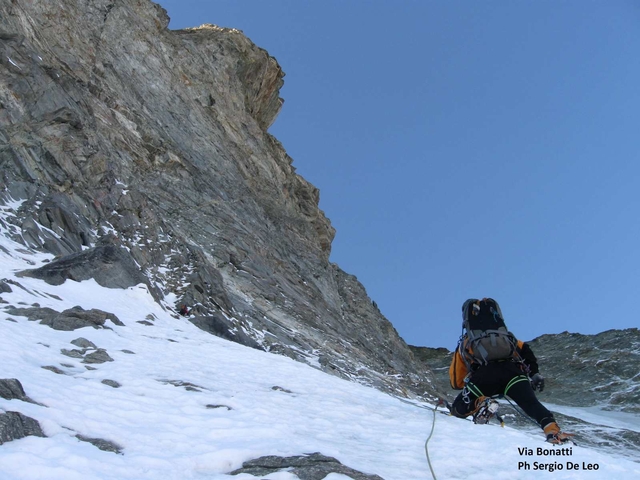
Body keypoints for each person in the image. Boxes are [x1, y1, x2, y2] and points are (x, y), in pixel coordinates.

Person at [448, 298, 573, 444]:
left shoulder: (467, 342)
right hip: (513, 373)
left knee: (457, 409)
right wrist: (534, 374)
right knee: (531, 404)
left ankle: (483, 403)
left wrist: (474, 388)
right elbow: (526, 351)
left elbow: (456, 382)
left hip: (485, 375)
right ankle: (552, 431)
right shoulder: (508, 337)